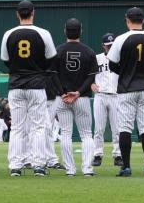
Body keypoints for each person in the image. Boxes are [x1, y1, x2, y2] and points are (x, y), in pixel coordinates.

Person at [0, 0, 57, 177]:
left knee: (17, 126)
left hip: (16, 85)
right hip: (36, 85)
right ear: (33, 12)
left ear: (18, 14)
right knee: (39, 126)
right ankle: (38, 165)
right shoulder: (43, 33)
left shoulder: (8, 33)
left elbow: (6, 60)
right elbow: (51, 58)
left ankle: (15, 166)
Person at [107, 6, 144, 177]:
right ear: (143, 20)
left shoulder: (121, 39)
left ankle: (126, 167)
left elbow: (112, 64)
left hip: (126, 89)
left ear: (127, 20)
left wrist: (125, 71)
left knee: (125, 127)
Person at [54, 18, 98, 177]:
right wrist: (78, 92)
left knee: (65, 133)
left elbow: (53, 76)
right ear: (81, 31)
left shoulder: (57, 51)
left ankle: (70, 170)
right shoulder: (89, 52)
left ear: (65, 31)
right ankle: (87, 169)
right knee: (86, 134)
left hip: (63, 98)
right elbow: (92, 76)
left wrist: (63, 93)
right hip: (82, 98)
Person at [91, 33, 123, 167]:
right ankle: (97, 154)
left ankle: (118, 155)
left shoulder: (121, 58)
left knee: (117, 128)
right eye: (108, 45)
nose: (110, 47)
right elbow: (89, 75)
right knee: (99, 128)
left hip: (116, 96)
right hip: (101, 95)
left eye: (112, 45)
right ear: (103, 45)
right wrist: (91, 84)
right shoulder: (97, 58)